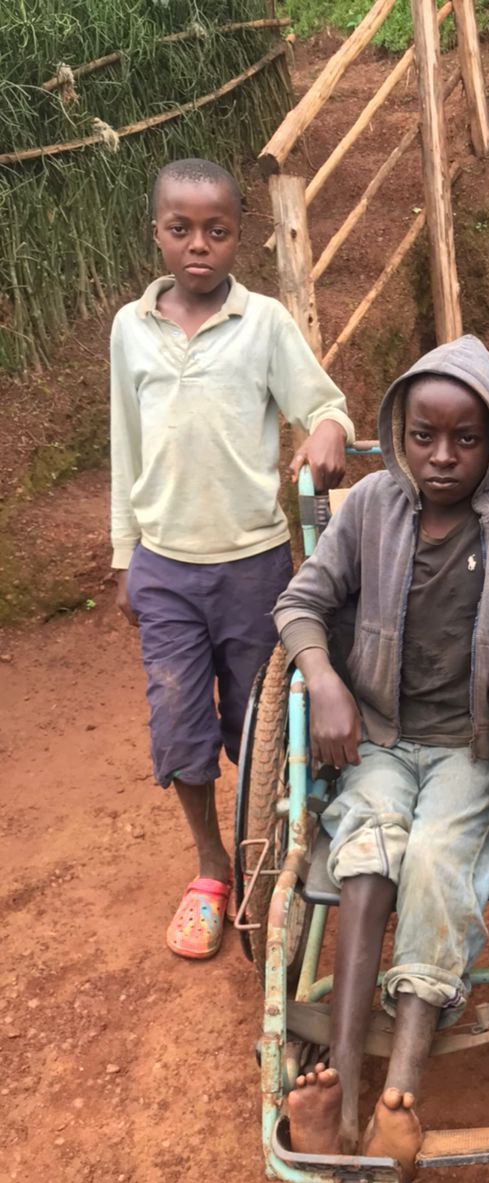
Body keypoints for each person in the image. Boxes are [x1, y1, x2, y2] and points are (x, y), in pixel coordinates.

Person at [272, 334, 489, 1175]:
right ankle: (341, 1086)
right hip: (380, 738)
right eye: (424, 436)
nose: (443, 456)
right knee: (371, 844)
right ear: (399, 433)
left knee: (438, 856)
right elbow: (300, 602)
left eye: (466, 439)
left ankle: (398, 1096)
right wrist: (325, 681)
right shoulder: (373, 506)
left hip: (470, 752)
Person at [110, 158, 354, 961]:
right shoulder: (130, 329)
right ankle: (212, 869)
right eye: (180, 229)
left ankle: (266, 856)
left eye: (216, 230)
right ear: (156, 232)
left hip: (254, 566)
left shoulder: (266, 324)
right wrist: (124, 556)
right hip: (164, 567)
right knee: (178, 722)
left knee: (260, 724)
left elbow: (323, 404)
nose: (198, 245)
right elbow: (125, 445)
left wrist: (327, 428)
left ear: (238, 235)